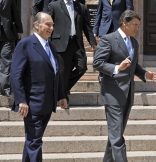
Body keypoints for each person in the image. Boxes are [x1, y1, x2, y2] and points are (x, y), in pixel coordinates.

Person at [93, 10, 156, 162]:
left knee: (115, 135)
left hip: (128, 94)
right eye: (135, 25)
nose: (137, 28)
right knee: (117, 137)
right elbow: (98, 63)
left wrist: (145, 74)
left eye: (138, 25)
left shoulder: (134, 42)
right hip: (112, 94)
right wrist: (117, 68)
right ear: (125, 23)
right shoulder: (108, 39)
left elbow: (134, 67)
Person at [10, 12, 67, 162]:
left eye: (52, 25)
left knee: (32, 140)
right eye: (48, 24)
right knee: (35, 142)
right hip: (31, 104)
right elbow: (15, 75)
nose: (52, 28)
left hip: (47, 103)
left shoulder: (52, 47)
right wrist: (21, 100)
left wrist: (61, 95)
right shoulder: (25, 44)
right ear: (37, 26)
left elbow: (56, 74)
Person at [48, 0, 97, 105]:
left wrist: (92, 42)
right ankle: (63, 95)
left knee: (82, 66)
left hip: (76, 43)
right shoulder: (54, 5)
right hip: (60, 43)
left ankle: (61, 88)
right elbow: (48, 24)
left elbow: (86, 26)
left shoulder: (81, 7)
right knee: (62, 71)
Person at [92, 0, 134, 83]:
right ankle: (102, 74)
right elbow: (99, 13)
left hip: (118, 27)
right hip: (104, 28)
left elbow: (129, 11)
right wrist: (95, 30)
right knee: (103, 53)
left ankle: (117, 73)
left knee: (117, 52)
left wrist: (128, 26)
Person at [0, 0, 23, 97]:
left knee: (6, 62)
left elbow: (15, 13)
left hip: (7, 34)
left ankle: (5, 89)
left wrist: (19, 29)